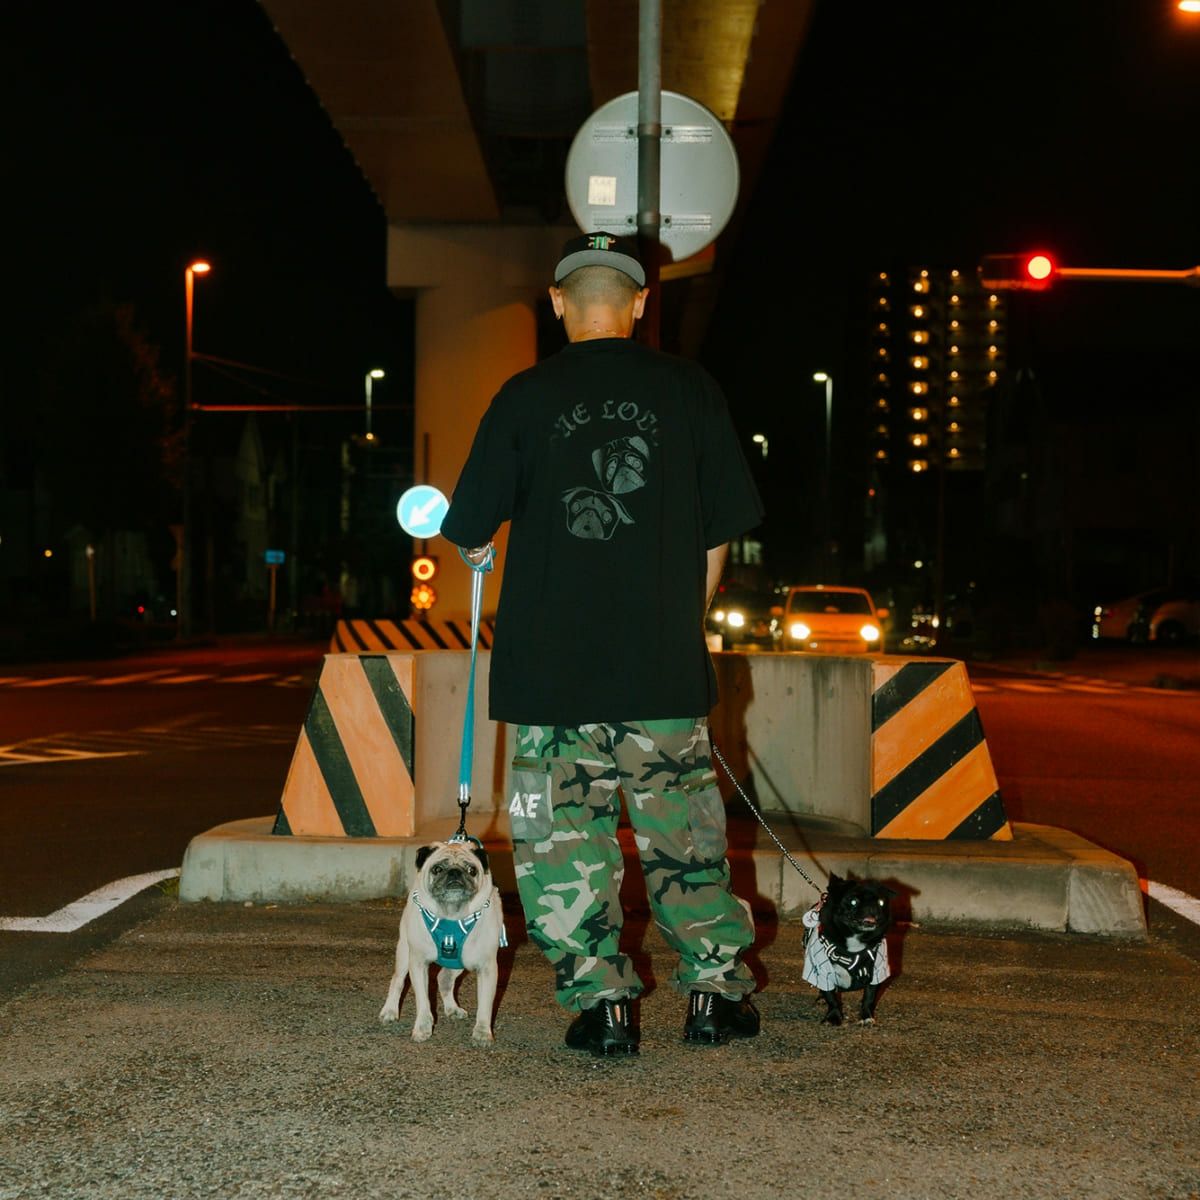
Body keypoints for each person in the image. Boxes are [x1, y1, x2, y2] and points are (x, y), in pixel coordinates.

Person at [439, 231, 764, 1057]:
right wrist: (679, 621)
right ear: (640, 302)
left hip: (549, 681)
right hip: (661, 676)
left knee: (562, 847)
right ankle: (714, 996)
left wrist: (478, 550)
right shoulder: (689, 390)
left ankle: (602, 1006)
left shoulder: (523, 395)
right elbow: (718, 534)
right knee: (684, 840)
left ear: (557, 303)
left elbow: (469, 525)